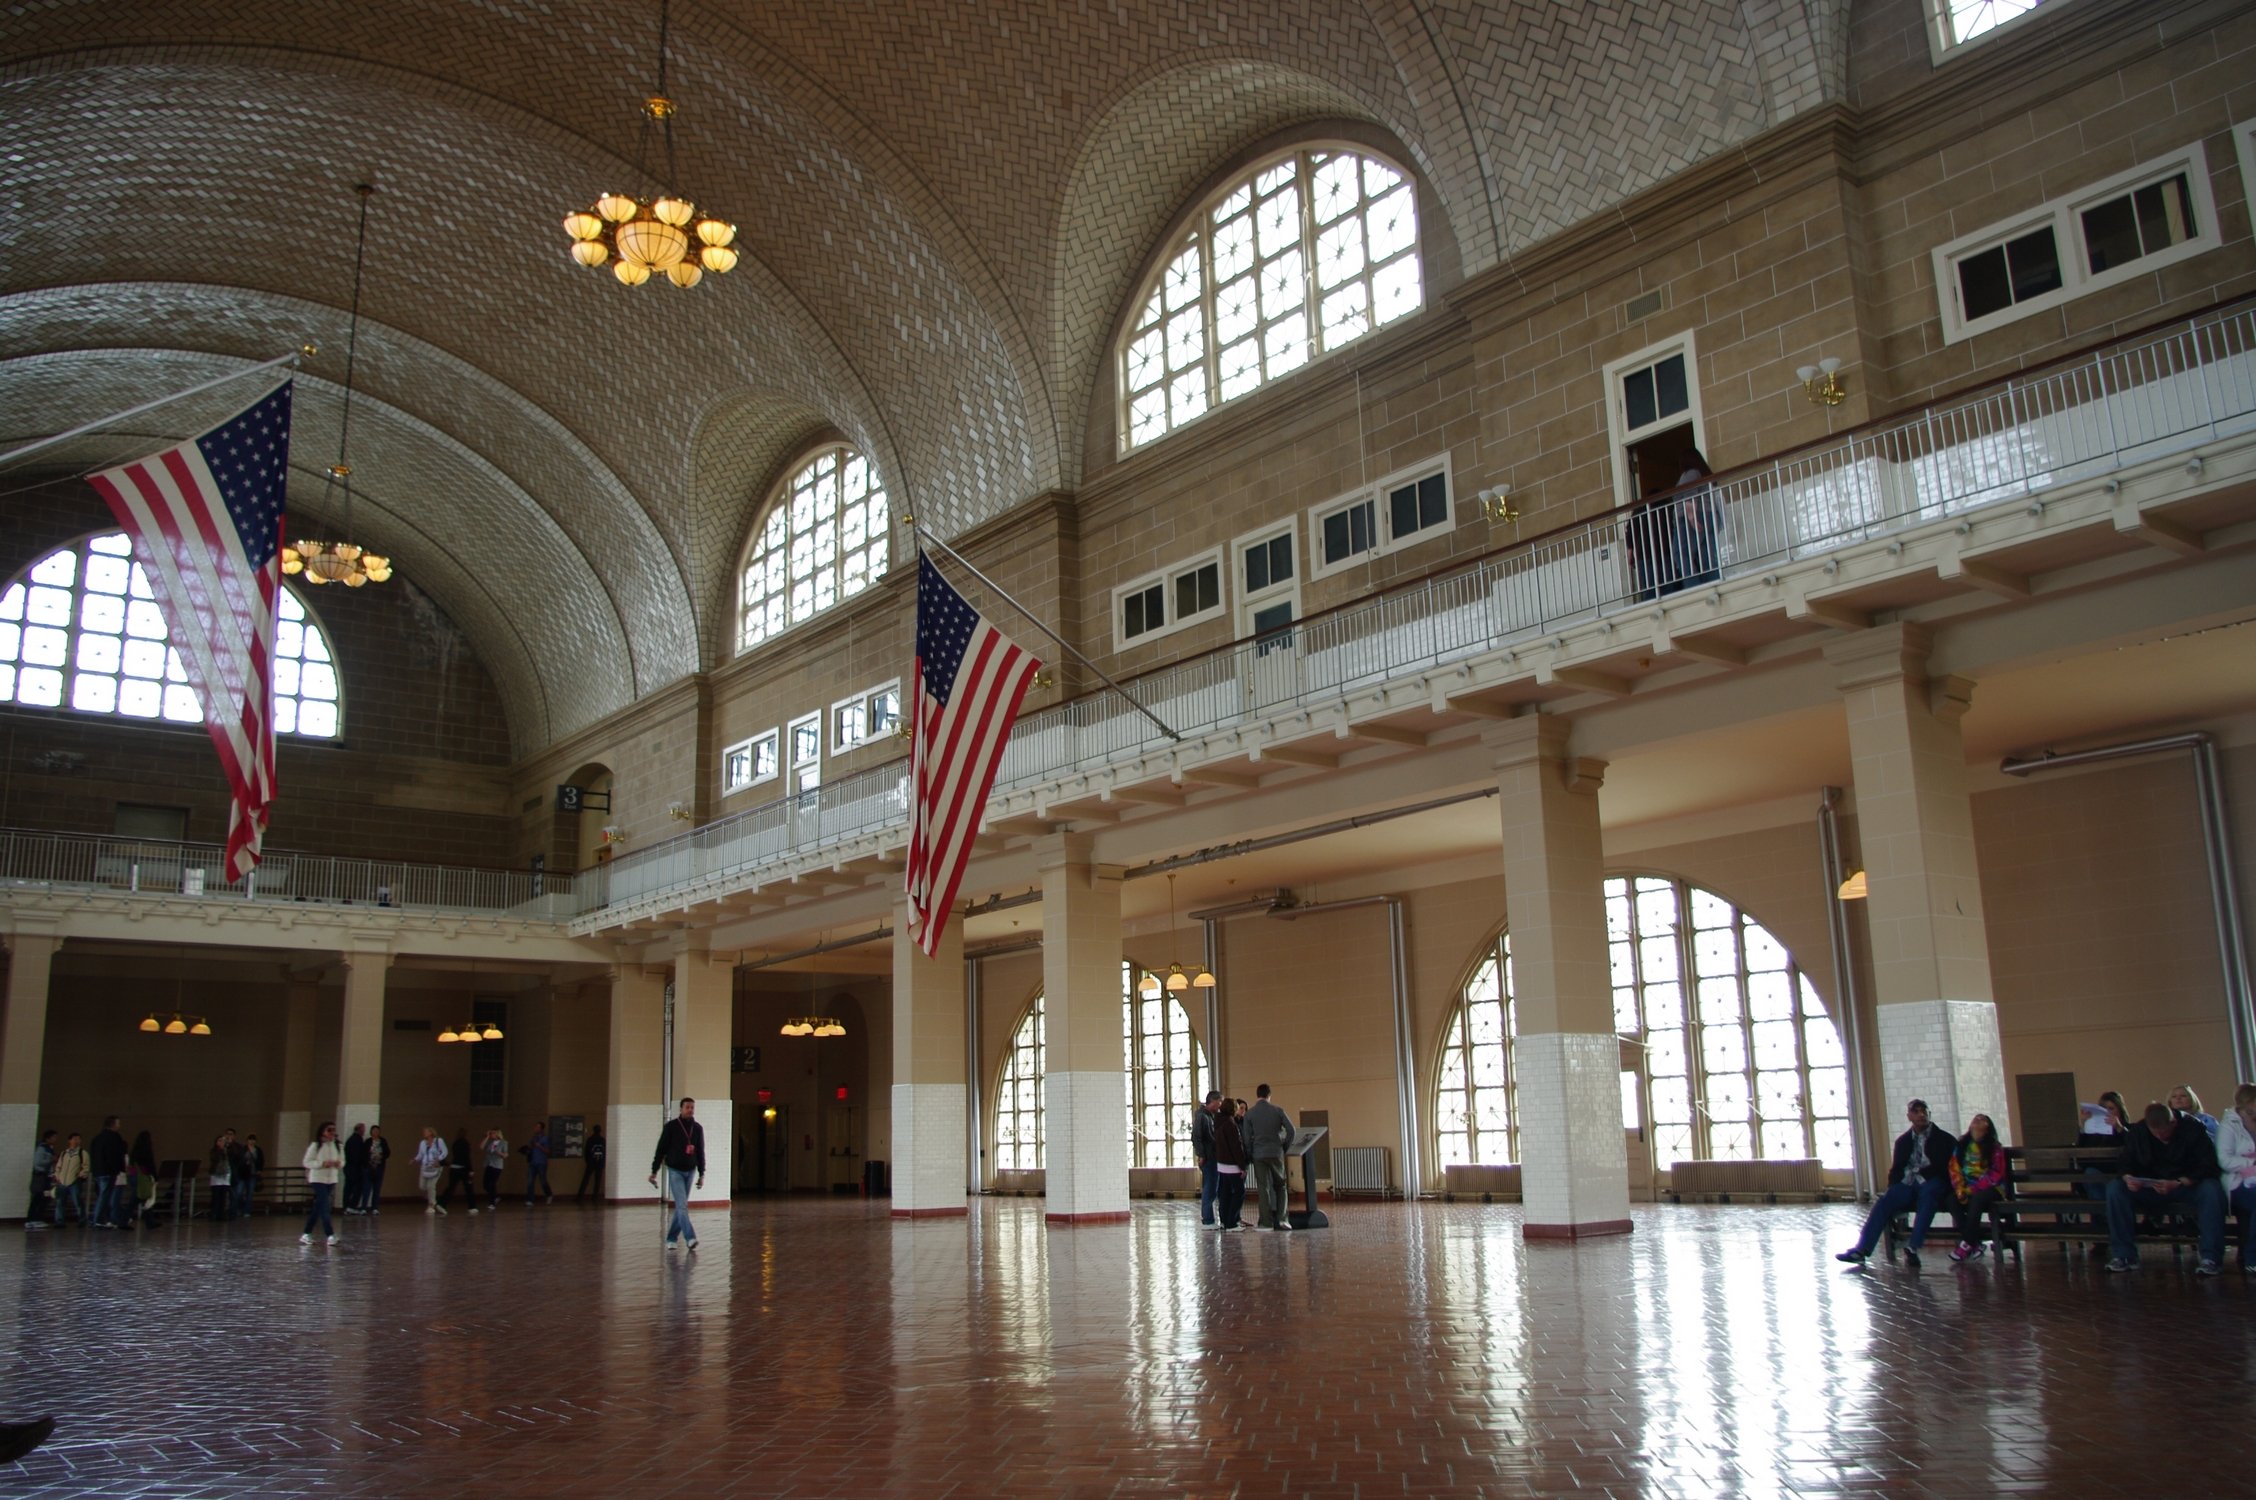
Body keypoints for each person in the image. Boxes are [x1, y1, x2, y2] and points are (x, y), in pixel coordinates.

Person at [2105, 1101, 2226, 1275]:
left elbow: (2208, 1165)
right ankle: (2123, 1255)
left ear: (2173, 1123)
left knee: (2211, 1190)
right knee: (2115, 1189)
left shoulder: (2193, 1128)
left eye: (2165, 1133)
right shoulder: (2139, 1132)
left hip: (2186, 1184)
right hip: (2150, 1186)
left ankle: (2211, 1258)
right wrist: (2129, 1178)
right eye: (2156, 1134)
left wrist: (2180, 1182)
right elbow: (2125, 1162)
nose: (2161, 1137)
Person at [1837, 1099, 1956, 1268]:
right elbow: (1897, 1168)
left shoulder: (1944, 1139)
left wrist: (1929, 1177)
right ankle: (1862, 1249)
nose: (1921, 1115)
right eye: (1916, 1112)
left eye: (1924, 1111)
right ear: (1909, 1116)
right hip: (1907, 1182)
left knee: (1928, 1198)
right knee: (1885, 1202)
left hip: (1931, 1181)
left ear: (1929, 1114)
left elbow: (1947, 1168)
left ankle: (1913, 1247)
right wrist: (1894, 1185)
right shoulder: (1903, 1141)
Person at [1947, 1113, 2008, 1262]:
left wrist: (1973, 1189)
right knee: (1951, 1200)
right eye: (1976, 1121)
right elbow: (1954, 1168)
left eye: (1982, 1122)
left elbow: (1995, 1174)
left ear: (1988, 1129)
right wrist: (1960, 1188)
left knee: (1977, 1200)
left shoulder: (1995, 1148)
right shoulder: (1962, 1145)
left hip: (1991, 1188)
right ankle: (1974, 1244)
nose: (1978, 1124)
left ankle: (1966, 1244)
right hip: (1966, 1186)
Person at [648, 1097, 705, 1249]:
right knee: (682, 1205)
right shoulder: (671, 1127)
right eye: (687, 1107)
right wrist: (654, 1170)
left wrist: (702, 1173)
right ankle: (690, 1237)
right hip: (675, 1171)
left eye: (692, 1107)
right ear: (680, 1109)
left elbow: (700, 1152)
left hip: (690, 1171)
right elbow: (661, 1149)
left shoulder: (697, 1128)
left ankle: (671, 1239)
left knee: (681, 1207)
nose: (690, 1110)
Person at [1243, 1084, 1294, 1232]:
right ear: (1269, 1095)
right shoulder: (1278, 1111)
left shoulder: (1250, 1114)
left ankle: (1266, 1223)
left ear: (1257, 1095)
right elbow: (1291, 1130)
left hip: (1258, 1154)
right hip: (1276, 1152)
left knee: (1263, 1187)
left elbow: (1246, 1138)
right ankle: (1283, 1219)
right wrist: (1284, 1147)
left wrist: (1250, 1153)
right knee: (1281, 1185)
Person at [2217, 1083, 2256, 1275]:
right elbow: (2225, 1160)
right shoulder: (2229, 1125)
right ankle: (2253, 1257)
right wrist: (2252, 1164)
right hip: (2239, 1182)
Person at [301, 1122, 343, 1246]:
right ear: (323, 1132)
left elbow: (343, 1160)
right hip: (318, 1179)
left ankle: (306, 1233)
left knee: (318, 1207)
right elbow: (307, 1162)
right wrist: (321, 1164)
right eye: (329, 1130)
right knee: (325, 1206)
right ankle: (330, 1235)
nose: (332, 1133)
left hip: (331, 1180)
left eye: (333, 1130)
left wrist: (338, 1164)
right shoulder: (315, 1146)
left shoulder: (338, 1145)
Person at [1212, 1093, 1250, 1231]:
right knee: (1239, 1193)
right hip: (1232, 1165)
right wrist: (1242, 1166)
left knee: (1224, 1193)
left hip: (1221, 1164)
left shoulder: (1217, 1121)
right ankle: (1232, 1222)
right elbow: (1236, 1147)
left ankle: (1224, 1221)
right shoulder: (1230, 1124)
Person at [87, 1114, 127, 1228]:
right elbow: (117, 1155)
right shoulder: (114, 1137)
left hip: (98, 1171)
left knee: (102, 1195)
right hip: (109, 1171)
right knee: (105, 1196)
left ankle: (100, 1218)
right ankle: (98, 1219)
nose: (119, 1126)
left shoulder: (97, 1138)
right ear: (113, 1124)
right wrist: (120, 1168)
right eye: (118, 1123)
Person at [1191, 1090, 1223, 1227]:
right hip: (1208, 1158)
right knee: (1210, 1188)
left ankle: (1210, 1219)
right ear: (1213, 1101)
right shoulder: (1202, 1117)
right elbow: (1196, 1137)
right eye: (1219, 1103)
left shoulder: (1210, 1116)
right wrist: (1202, 1155)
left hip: (1212, 1156)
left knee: (1212, 1188)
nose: (1220, 1106)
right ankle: (1208, 1220)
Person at [51, 1131, 88, 1225]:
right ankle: (59, 1221)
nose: (77, 1141)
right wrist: (58, 1176)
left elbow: (86, 1166)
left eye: (79, 1139)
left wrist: (81, 1175)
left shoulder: (82, 1153)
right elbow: (59, 1166)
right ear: (69, 1141)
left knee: (78, 1202)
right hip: (62, 1181)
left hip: (74, 1181)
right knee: (60, 1202)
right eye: (75, 1139)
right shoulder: (64, 1153)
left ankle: (82, 1220)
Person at [23, 1130, 57, 1229]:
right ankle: (31, 1220)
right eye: (53, 1137)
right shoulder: (42, 1148)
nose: (55, 1139)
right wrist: (51, 1159)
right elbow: (38, 1162)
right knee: (37, 1197)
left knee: (45, 1197)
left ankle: (38, 1218)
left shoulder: (49, 1149)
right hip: (40, 1177)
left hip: (46, 1177)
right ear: (47, 1138)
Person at [415, 1127, 449, 1215]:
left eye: (426, 1131)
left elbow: (445, 1152)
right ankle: (434, 1202)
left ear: (431, 1133)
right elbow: (420, 1154)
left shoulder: (439, 1141)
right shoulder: (422, 1143)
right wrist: (415, 1159)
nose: (424, 1133)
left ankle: (431, 1205)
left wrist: (439, 1159)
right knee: (422, 1186)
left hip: (435, 1167)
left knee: (431, 1185)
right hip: (425, 1167)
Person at [445, 1128, 479, 1213]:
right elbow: (466, 1157)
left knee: (451, 1187)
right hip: (463, 1169)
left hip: (454, 1167)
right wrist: (470, 1169)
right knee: (469, 1188)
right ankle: (472, 1207)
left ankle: (442, 1203)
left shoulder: (455, 1143)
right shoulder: (465, 1144)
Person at [342, 1124, 370, 1215]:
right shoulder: (357, 1140)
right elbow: (357, 1155)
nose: (364, 1131)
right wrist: (364, 1163)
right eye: (363, 1129)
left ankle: (346, 1207)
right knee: (357, 1188)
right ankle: (351, 1206)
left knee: (348, 1188)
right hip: (355, 1168)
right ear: (359, 1130)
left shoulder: (351, 1139)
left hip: (349, 1168)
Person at [523, 1122, 554, 1204]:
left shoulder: (546, 1138)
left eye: (537, 1127)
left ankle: (549, 1194)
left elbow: (548, 1151)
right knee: (530, 1181)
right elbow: (529, 1148)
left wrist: (539, 1146)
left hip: (541, 1163)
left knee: (543, 1180)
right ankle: (530, 1200)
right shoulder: (533, 1138)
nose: (535, 1128)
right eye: (535, 1127)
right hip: (533, 1162)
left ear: (541, 1129)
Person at [207, 1130, 234, 1221]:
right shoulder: (214, 1151)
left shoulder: (227, 1150)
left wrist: (226, 1147)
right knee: (216, 1196)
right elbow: (215, 1159)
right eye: (219, 1141)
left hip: (225, 1175)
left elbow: (233, 1156)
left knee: (224, 1196)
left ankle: (222, 1214)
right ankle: (214, 1214)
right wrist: (220, 1149)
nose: (221, 1142)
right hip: (216, 1175)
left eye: (222, 1141)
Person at [576, 1125, 607, 1201]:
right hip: (599, 1162)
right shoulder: (602, 1140)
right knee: (598, 1180)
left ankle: (580, 1196)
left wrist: (588, 1161)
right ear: (600, 1131)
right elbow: (605, 1152)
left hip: (591, 1162)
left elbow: (586, 1152)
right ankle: (595, 1196)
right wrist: (603, 1162)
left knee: (586, 1179)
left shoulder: (590, 1139)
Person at [481, 1128, 510, 1210]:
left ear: (497, 1134)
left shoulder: (504, 1142)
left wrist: (499, 1153)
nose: (491, 1135)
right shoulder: (490, 1142)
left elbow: (506, 1154)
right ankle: (495, 1196)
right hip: (489, 1164)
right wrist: (486, 1137)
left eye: (493, 1133)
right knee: (485, 1184)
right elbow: (481, 1146)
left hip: (497, 1165)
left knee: (492, 1183)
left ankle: (492, 1203)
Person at [364, 1126, 389, 1213]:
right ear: (371, 1132)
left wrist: (381, 1155)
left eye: (377, 1131)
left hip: (379, 1167)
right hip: (369, 1167)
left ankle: (375, 1207)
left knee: (377, 1188)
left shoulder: (383, 1141)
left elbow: (387, 1152)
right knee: (367, 1188)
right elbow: (364, 1153)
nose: (376, 1132)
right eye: (374, 1131)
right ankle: (364, 1207)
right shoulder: (368, 1141)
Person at [236, 1133, 262, 1219]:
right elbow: (239, 1160)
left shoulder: (258, 1150)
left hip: (253, 1174)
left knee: (249, 1194)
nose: (251, 1141)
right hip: (242, 1174)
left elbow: (261, 1160)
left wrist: (259, 1170)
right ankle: (241, 1207)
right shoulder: (243, 1149)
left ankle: (247, 1211)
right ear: (247, 1141)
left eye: (253, 1139)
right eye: (250, 1139)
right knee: (239, 1193)